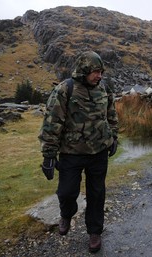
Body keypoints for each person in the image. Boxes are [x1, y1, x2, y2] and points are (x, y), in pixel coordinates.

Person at [38, 50, 119, 253]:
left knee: (97, 193)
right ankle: (67, 213)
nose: (99, 76)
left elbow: (111, 115)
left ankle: (94, 232)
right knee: (66, 192)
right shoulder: (66, 89)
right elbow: (52, 122)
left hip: (99, 152)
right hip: (71, 153)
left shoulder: (104, 89)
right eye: (95, 72)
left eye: (101, 72)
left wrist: (113, 137)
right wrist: (49, 155)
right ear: (84, 70)